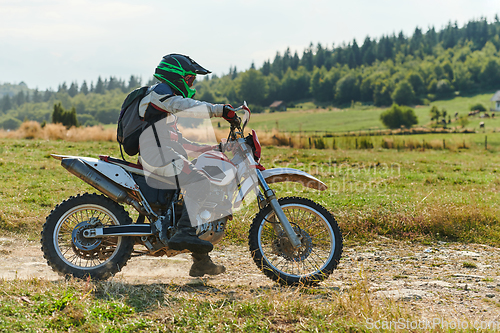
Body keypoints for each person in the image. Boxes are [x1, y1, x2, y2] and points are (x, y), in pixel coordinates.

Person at [137, 53, 238, 277]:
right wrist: (219, 110)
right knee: (200, 180)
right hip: (156, 156)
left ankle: (200, 261)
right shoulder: (160, 93)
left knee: (190, 198)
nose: (192, 85)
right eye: (191, 80)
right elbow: (188, 106)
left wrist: (214, 149)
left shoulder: (164, 111)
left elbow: (182, 143)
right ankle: (184, 233)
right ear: (178, 76)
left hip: (163, 154)